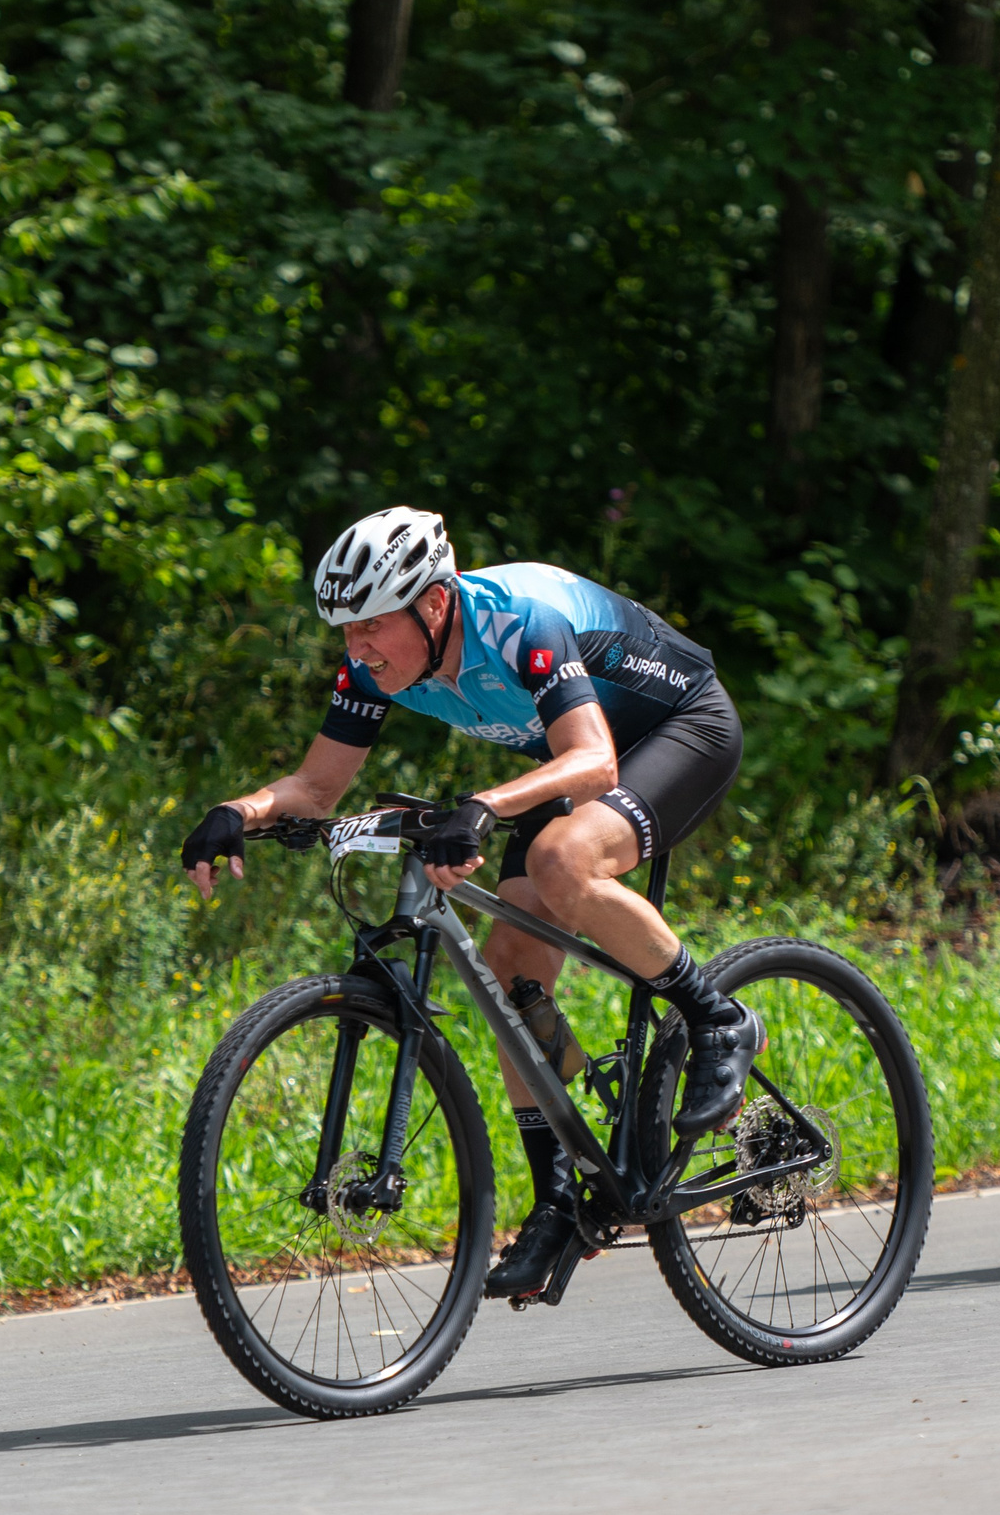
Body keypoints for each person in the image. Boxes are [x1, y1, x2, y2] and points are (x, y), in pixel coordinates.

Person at [180, 507, 759, 1298]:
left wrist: (484, 803)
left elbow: (593, 761)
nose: (357, 650)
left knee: (562, 857)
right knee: (510, 963)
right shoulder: (374, 667)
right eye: (345, 632)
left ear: (434, 603)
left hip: (678, 727)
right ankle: (558, 1197)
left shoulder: (521, 622)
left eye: (372, 626)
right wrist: (239, 813)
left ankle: (714, 1015)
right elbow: (317, 789)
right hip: (564, 757)